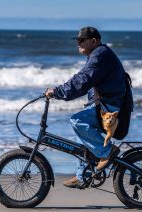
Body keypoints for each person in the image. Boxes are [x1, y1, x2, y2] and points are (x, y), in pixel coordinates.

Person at [45, 26, 126, 188]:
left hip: (109, 107)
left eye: (81, 40)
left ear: (93, 41)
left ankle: (107, 152)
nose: (78, 44)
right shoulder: (97, 55)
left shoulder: (99, 56)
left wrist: (58, 92)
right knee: (82, 134)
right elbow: (84, 82)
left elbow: (82, 80)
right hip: (102, 104)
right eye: (77, 41)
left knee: (77, 121)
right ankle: (83, 174)